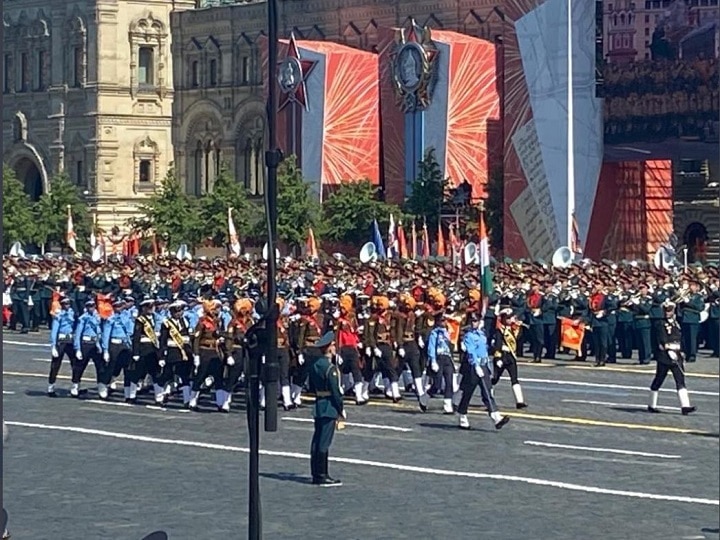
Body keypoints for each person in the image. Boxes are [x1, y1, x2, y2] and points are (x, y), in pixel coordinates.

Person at [457, 314, 510, 430]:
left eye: (476, 321)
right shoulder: (469, 336)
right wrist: (476, 366)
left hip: (484, 365)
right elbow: (471, 352)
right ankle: (462, 415)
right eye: (472, 321)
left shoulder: (482, 335)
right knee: (468, 393)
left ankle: (496, 417)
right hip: (474, 367)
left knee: (487, 392)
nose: (473, 323)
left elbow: (485, 351)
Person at [308, 331, 344, 487]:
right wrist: (340, 408)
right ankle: (322, 475)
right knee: (324, 442)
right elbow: (336, 392)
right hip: (329, 406)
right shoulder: (330, 368)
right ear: (328, 348)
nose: (335, 347)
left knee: (316, 441)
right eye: (333, 345)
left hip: (318, 404)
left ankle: (316, 473)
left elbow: (310, 386)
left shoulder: (315, 365)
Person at [648, 300, 697, 415]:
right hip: (665, 356)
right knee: (659, 379)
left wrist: (683, 351)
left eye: (669, 310)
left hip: (677, 354)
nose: (667, 313)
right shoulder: (660, 323)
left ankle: (685, 406)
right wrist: (668, 350)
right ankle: (652, 404)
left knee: (680, 380)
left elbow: (681, 338)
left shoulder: (677, 323)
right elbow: (661, 338)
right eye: (666, 310)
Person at [47, 296, 76, 397]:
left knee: (75, 363)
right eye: (64, 304)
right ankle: (51, 387)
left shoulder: (72, 313)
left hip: (70, 340)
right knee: (56, 364)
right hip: (61, 340)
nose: (66, 306)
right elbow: (54, 331)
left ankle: (75, 386)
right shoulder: (59, 315)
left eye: (67, 304)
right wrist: (53, 346)